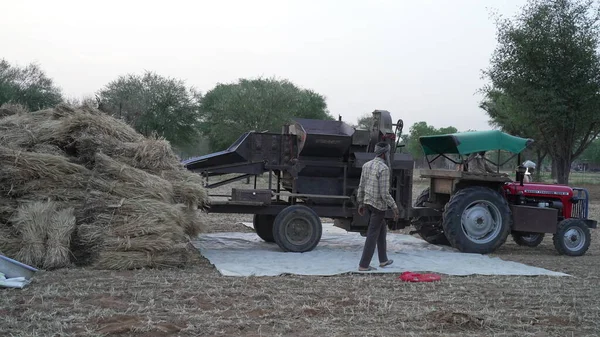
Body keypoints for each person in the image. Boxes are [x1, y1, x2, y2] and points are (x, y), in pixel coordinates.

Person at [356, 142, 399, 271]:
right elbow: (384, 194)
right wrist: (395, 208)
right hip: (378, 206)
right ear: (385, 154)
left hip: (369, 203)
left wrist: (361, 203)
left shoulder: (366, 165)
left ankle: (383, 260)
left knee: (381, 230)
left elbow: (361, 186)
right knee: (372, 235)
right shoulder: (384, 169)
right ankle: (363, 265)